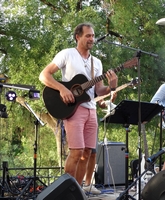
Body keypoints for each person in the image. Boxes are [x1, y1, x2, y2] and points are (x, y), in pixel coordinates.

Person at [39, 22, 118, 186]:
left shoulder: (96, 62)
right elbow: (44, 75)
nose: (92, 38)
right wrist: (62, 89)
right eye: (88, 35)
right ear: (78, 37)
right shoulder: (67, 54)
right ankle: (65, 191)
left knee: (87, 152)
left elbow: (98, 90)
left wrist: (112, 86)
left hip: (91, 111)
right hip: (73, 110)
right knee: (76, 152)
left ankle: (77, 190)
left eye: (93, 35)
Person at [83, 91, 117, 194]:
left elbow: (101, 104)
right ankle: (74, 184)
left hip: (91, 117)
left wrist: (111, 100)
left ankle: (88, 185)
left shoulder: (95, 86)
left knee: (93, 153)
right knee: (78, 153)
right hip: (76, 115)